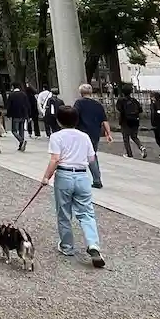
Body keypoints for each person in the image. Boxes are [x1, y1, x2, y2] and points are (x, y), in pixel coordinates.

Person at [40, 104, 105, 267]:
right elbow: (91, 159)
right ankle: (93, 244)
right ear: (77, 120)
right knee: (86, 213)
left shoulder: (56, 137)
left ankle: (67, 246)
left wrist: (46, 177)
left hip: (64, 175)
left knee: (64, 212)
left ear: (59, 120)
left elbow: (55, 159)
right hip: (82, 175)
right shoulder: (84, 136)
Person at [72, 83, 112, 188]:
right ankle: (97, 179)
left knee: (80, 156)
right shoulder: (98, 105)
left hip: (82, 133)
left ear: (81, 93)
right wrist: (108, 133)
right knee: (92, 155)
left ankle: (81, 178)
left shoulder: (79, 103)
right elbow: (104, 120)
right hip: (95, 133)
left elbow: (74, 116)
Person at [114, 83, 149, 159]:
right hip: (135, 121)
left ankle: (129, 154)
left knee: (126, 138)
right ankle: (141, 147)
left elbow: (119, 109)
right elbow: (140, 110)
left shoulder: (121, 100)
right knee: (134, 136)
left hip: (125, 121)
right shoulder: (134, 100)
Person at [6, 82, 30, 151]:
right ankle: (21, 145)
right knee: (21, 130)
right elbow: (27, 105)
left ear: (13, 87)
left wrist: (8, 115)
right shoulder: (23, 94)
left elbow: (9, 106)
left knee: (14, 131)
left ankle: (21, 141)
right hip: (23, 115)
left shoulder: (11, 95)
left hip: (15, 115)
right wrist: (28, 115)